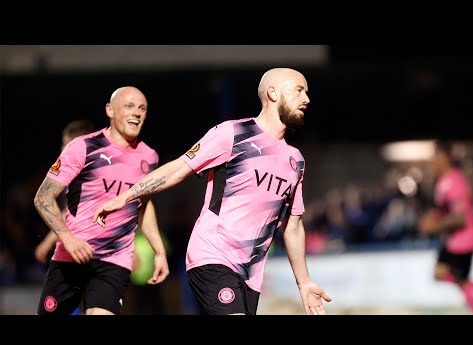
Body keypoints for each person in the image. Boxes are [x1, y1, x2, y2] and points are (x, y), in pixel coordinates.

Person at [93, 68, 332, 315]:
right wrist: (127, 195)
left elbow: (293, 226)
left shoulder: (296, 160)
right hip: (212, 256)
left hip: (250, 275)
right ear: (273, 93)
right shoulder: (233, 133)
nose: (306, 99)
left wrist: (304, 283)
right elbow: (179, 168)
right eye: (299, 90)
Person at [33, 86, 169, 315]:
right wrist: (67, 239)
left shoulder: (149, 157)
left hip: (114, 261)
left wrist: (159, 251)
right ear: (110, 110)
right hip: (71, 256)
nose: (136, 112)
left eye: (142, 108)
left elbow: (143, 206)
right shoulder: (83, 147)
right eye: (129, 106)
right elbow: (43, 196)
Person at [417, 140, 473, 314]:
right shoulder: (442, 183)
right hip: (452, 240)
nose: (432, 161)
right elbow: (443, 209)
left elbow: (460, 218)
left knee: (460, 282)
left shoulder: (455, 183)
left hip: (463, 241)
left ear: (445, 157)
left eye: (435, 156)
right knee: (441, 274)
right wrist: (432, 217)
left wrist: (434, 227)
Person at [35, 119, 95, 266]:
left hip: (90, 247)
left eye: (66, 144)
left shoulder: (89, 175)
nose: (62, 148)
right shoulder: (74, 175)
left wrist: (48, 242)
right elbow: (69, 210)